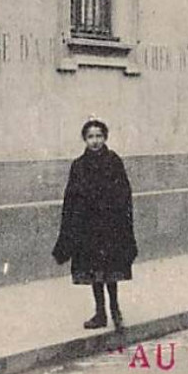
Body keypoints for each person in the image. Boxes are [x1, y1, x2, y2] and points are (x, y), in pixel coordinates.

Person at [53, 119, 138, 329]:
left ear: (105, 137)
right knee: (95, 273)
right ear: (85, 139)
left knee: (111, 272)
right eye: (90, 137)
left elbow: (124, 193)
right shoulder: (79, 166)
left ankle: (115, 310)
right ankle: (100, 313)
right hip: (88, 228)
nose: (95, 141)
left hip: (110, 226)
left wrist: (120, 220)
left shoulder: (113, 161)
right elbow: (71, 198)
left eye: (99, 136)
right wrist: (73, 227)